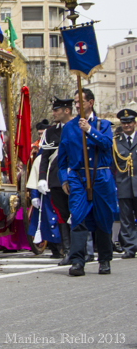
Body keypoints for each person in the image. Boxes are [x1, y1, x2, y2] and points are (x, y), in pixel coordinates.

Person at [57, 89, 118, 277]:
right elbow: (62, 160)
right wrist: (64, 179)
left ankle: (105, 259)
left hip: (100, 177)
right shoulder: (69, 127)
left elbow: (106, 144)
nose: (76, 105)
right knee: (77, 218)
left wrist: (89, 130)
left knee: (103, 219)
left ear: (90, 103)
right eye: (75, 102)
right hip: (78, 177)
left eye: (80, 102)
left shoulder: (103, 124)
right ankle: (77, 261)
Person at [36, 97, 75, 264]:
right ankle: (67, 251)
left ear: (67, 110)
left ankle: (80, 250)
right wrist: (42, 178)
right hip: (56, 179)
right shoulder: (50, 132)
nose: (53, 114)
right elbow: (44, 157)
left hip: (75, 178)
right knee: (62, 215)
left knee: (77, 214)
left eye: (56, 110)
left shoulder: (77, 127)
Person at [113, 108, 137, 259]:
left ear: (134, 123)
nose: (127, 125)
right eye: (124, 123)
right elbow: (112, 165)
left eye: (130, 122)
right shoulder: (116, 142)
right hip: (123, 185)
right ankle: (130, 247)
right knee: (126, 219)